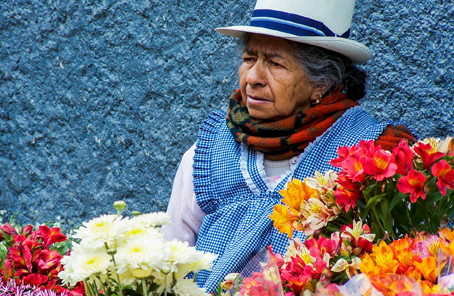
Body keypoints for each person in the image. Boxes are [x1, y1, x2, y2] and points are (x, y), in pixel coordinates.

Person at [161, 0, 415, 291]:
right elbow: (170, 266)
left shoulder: (371, 159)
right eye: (248, 59)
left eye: (275, 63)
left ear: (321, 82)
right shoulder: (207, 154)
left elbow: (396, 268)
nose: (253, 78)